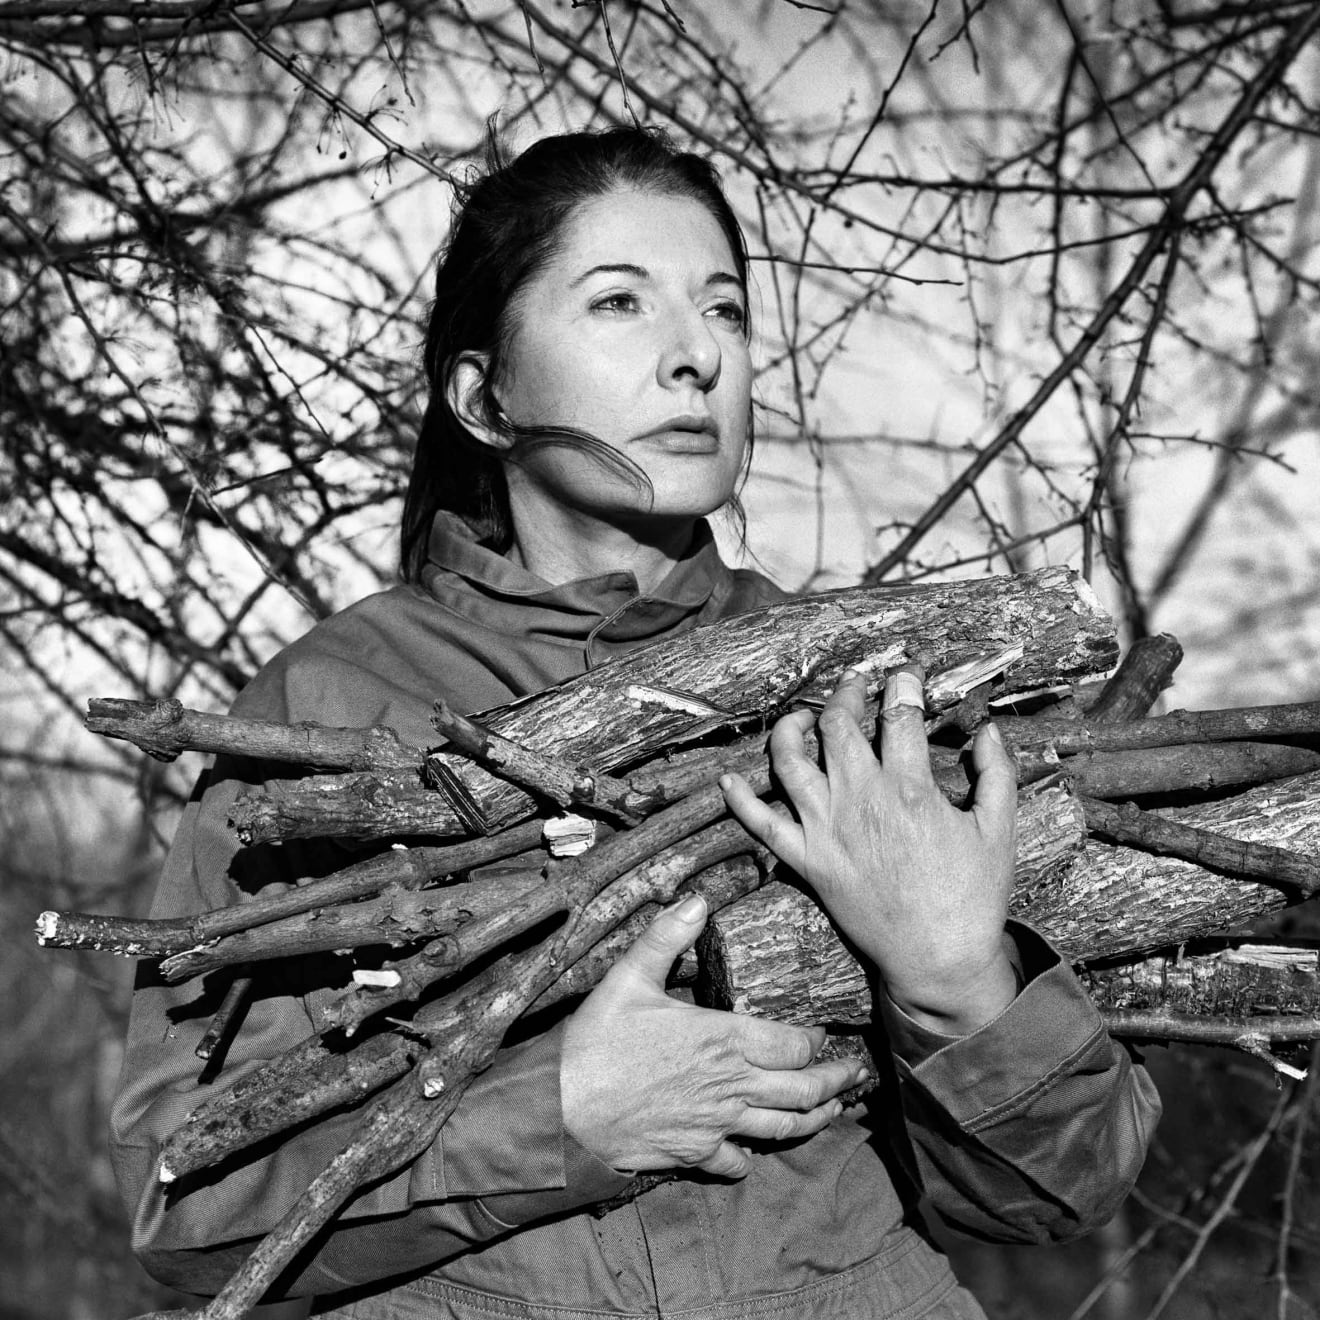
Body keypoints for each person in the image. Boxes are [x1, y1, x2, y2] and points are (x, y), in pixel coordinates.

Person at [111, 126, 1161, 1320]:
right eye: (620, 301)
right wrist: (561, 1118)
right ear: (484, 398)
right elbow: (187, 1210)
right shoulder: (327, 707)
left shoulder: (873, 693)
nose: (697, 356)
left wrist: (959, 987)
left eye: (725, 310)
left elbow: (1064, 1192)